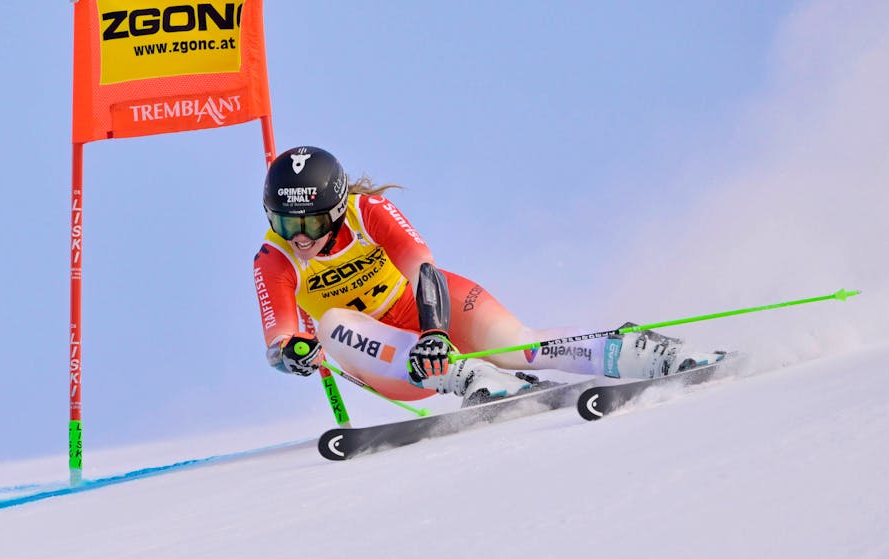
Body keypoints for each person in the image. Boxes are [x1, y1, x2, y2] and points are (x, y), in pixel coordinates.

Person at [253, 146, 723, 403]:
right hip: (391, 363)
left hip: (427, 317)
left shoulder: (368, 211)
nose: (299, 237)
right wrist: (293, 352)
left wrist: (435, 332)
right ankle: (463, 375)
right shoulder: (273, 259)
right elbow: (280, 340)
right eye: (284, 222)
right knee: (333, 323)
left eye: (311, 223)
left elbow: (423, 269)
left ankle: (644, 352)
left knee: (520, 346)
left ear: (336, 210)